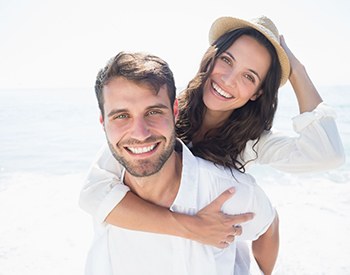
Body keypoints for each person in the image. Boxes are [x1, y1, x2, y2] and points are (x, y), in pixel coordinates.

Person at [80, 14, 344, 257]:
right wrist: (190, 227)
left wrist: (297, 70)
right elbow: (93, 193)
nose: (228, 80)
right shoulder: (161, 114)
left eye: (249, 77)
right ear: (212, 56)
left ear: (257, 93)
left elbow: (327, 155)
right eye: (227, 60)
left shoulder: (253, 142)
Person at [85, 51, 278, 275]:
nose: (140, 133)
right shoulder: (105, 189)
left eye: (154, 112)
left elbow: (269, 226)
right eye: (121, 116)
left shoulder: (227, 190)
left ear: (175, 111)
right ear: (103, 122)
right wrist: (193, 227)